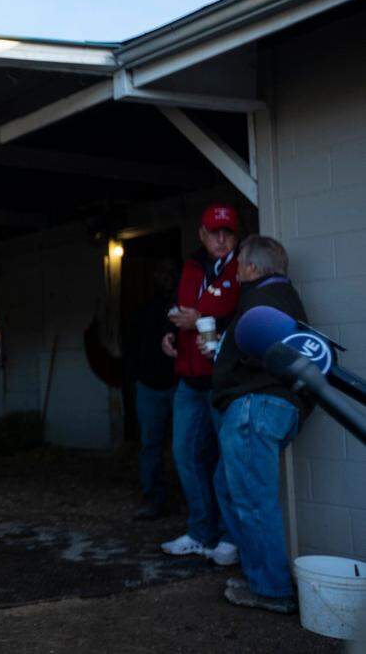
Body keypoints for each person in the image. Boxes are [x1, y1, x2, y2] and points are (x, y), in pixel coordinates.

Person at [208, 235, 309, 614]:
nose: (235, 272)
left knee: (253, 501)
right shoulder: (281, 296)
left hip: (255, 407)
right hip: (268, 407)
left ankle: (271, 590)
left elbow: (267, 353)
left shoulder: (261, 301)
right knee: (231, 488)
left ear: (252, 267)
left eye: (239, 266)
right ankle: (260, 577)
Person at [159, 203, 240, 564]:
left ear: (236, 235)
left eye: (228, 233)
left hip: (223, 379)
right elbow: (182, 311)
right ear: (202, 235)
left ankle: (230, 537)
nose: (221, 240)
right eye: (214, 233)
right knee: (185, 455)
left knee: (227, 460)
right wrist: (170, 336)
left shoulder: (244, 266)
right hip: (189, 378)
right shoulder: (192, 266)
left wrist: (202, 319)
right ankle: (200, 532)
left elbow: (245, 316)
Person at [123, 260, 179, 521]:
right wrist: (136, 376)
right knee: (151, 446)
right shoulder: (143, 310)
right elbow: (132, 346)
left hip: (180, 385)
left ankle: (194, 502)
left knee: (187, 447)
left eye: (168, 273)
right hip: (149, 385)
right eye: (160, 273)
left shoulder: (186, 309)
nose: (164, 278)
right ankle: (153, 498)